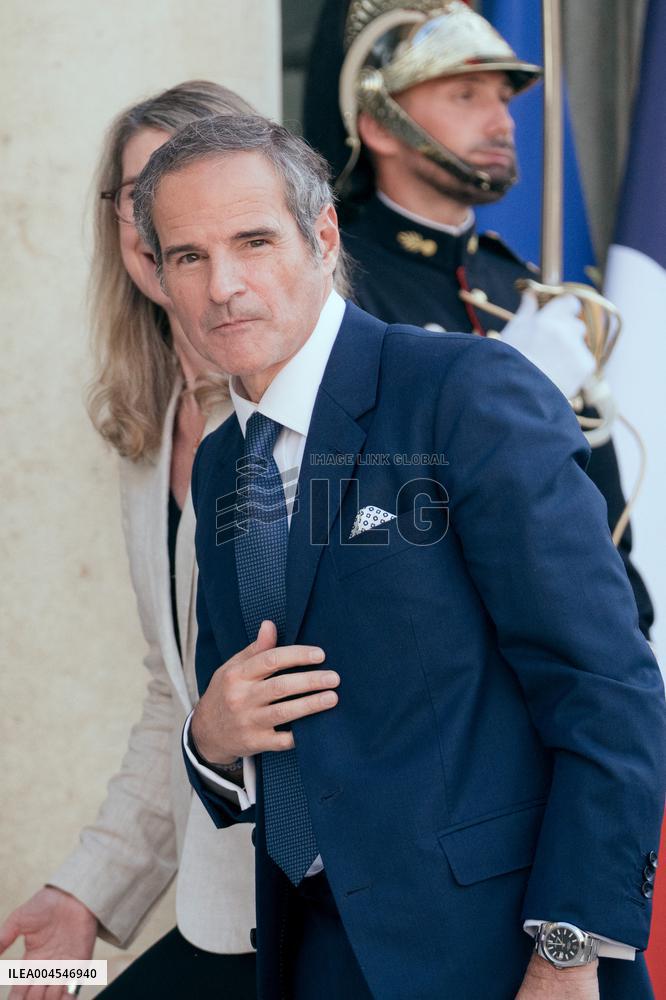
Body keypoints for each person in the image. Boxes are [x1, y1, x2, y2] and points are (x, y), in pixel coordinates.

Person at [131, 114, 666, 1000]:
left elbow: (606, 685)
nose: (224, 285)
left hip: (505, 958)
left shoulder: (463, 392)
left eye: (253, 241)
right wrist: (208, 741)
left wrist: (570, 949)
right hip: (312, 959)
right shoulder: (224, 460)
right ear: (158, 275)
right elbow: (245, 721)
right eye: (189, 257)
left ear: (323, 235)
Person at [0, 82, 260, 999]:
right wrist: (85, 893)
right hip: (238, 905)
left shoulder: (321, 405)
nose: (159, 215)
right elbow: (179, 692)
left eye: (187, 178)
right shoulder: (151, 434)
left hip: (363, 907)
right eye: (137, 192)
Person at [303, 0, 654, 637]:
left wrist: (628, 629)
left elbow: (596, 508)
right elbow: (351, 510)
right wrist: (504, 391)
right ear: (381, 124)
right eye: (466, 95)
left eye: (502, 96)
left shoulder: (517, 283)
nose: (502, 121)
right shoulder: (332, 287)